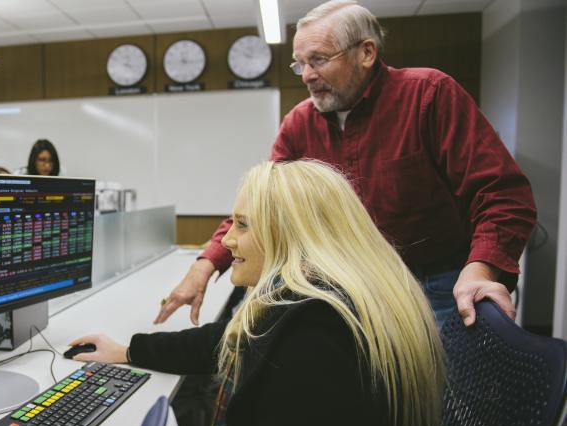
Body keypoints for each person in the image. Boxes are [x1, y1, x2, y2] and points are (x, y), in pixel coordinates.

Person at [71, 160, 448, 426]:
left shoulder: (314, 342)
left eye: (243, 224)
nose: (227, 240)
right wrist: (128, 351)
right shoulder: (320, 304)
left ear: (292, 234)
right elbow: (228, 340)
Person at [156, 0, 536, 328]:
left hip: (438, 278)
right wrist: (206, 264)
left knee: (443, 397)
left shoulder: (429, 95)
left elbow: (503, 195)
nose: (306, 75)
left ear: (366, 53)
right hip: (356, 283)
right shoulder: (300, 123)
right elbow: (259, 207)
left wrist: (481, 269)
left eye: (318, 60)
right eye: (299, 64)